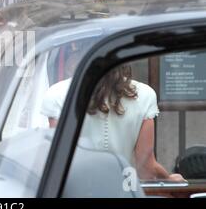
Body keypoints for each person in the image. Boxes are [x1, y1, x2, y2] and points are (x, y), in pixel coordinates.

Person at [41, 59, 185, 182]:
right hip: (122, 188)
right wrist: (168, 179)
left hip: (76, 189)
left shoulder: (57, 93)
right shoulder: (144, 94)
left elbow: (59, 157)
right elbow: (145, 166)